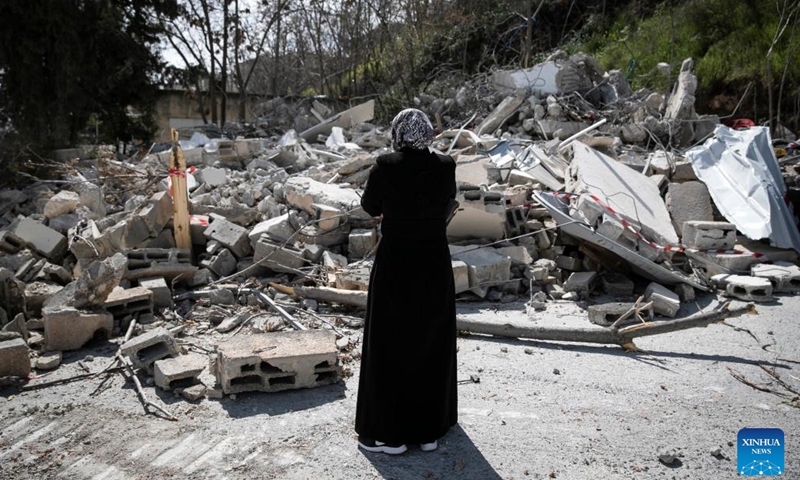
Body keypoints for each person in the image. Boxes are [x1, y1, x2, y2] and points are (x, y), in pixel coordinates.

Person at [355, 108, 458, 455]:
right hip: (434, 264)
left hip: (397, 265)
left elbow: (370, 206)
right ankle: (429, 431)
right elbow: (446, 202)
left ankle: (390, 435)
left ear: (398, 133)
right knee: (431, 341)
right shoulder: (446, 166)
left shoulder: (386, 165)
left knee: (390, 344)